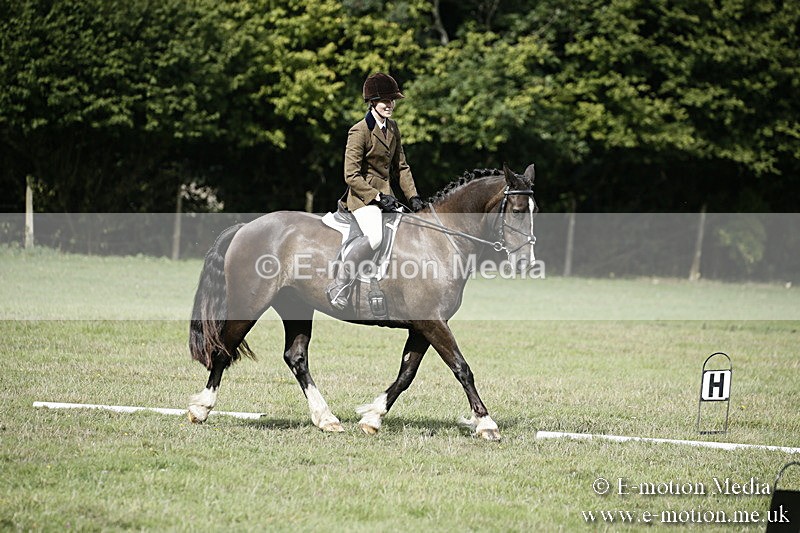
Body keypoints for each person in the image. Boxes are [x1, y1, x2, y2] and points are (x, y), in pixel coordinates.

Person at [328, 72, 425, 310]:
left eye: (393, 101)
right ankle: (339, 283)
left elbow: (401, 167)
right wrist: (378, 197)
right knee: (375, 237)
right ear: (373, 102)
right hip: (363, 200)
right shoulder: (359, 131)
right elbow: (350, 175)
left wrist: (414, 198)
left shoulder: (392, 128)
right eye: (386, 101)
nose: (390, 105)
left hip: (387, 198)